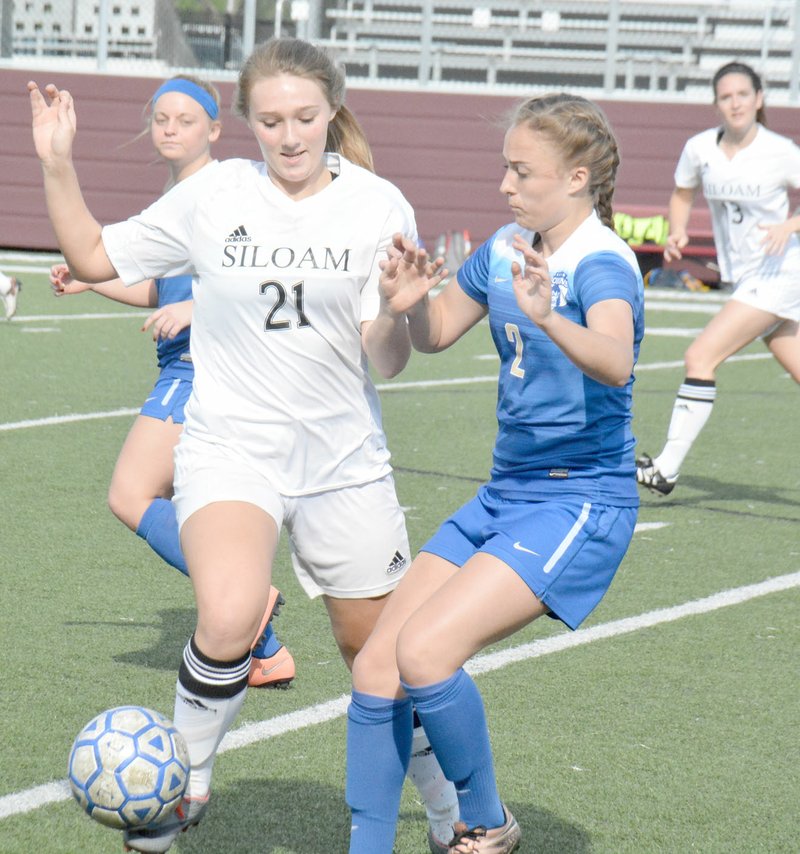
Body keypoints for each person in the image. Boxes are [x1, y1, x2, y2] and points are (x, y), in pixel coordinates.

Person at [29, 37, 456, 853]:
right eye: (269, 120)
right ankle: (176, 796)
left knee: (380, 658)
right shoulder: (214, 194)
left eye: (303, 117)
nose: (289, 136)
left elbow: (388, 359)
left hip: (342, 462)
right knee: (226, 614)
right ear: (246, 121)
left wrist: (399, 309)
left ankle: (445, 820)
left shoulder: (377, 204)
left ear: (332, 109)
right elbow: (89, 257)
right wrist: (57, 162)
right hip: (230, 446)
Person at [346, 92, 644, 854]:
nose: (506, 185)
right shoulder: (509, 244)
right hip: (505, 492)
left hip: (578, 498)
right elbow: (439, 331)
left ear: (577, 178)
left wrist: (550, 316)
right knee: (379, 662)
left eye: (522, 170)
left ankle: (487, 820)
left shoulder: (602, 261)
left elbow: (616, 361)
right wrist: (408, 305)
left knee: (424, 654)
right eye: (503, 167)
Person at [48, 74, 294, 690]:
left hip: (208, 367)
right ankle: (264, 647)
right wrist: (93, 280)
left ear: (215, 129)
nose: (169, 129)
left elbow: (267, 271)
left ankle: (249, 598)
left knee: (131, 494)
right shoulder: (178, 194)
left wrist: (202, 307)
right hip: (190, 365)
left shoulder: (231, 185)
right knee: (200, 504)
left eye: (185, 120)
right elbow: (159, 288)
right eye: (161, 119)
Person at [636, 61, 800, 496]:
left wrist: (791, 225)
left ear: (759, 99)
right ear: (716, 104)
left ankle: (667, 469)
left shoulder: (779, 150)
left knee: (700, 356)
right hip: (747, 278)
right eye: (726, 96)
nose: (735, 103)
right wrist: (676, 231)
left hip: (781, 271)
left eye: (743, 94)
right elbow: (682, 192)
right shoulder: (699, 149)